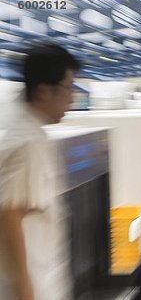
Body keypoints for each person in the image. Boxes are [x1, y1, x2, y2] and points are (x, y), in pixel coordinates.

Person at [0, 43, 79, 299]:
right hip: (34, 285)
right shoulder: (28, 141)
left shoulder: (26, 130)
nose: (73, 97)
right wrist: (25, 288)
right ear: (44, 91)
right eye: (69, 87)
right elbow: (10, 213)